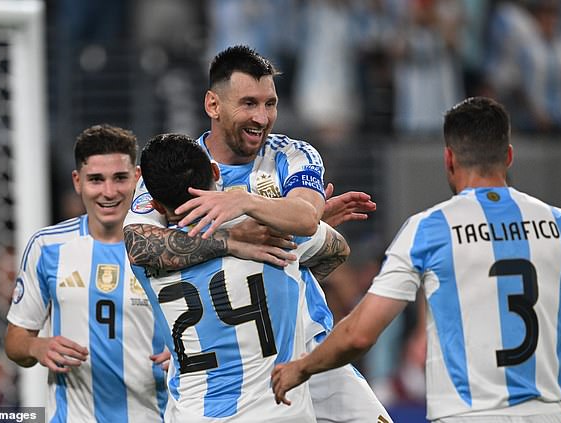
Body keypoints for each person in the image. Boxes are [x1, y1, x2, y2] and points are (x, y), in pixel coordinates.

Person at [124, 45, 391, 422]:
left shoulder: (293, 154)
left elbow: (305, 217)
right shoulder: (180, 169)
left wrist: (245, 205)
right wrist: (236, 240)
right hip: (231, 367)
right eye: (249, 103)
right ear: (213, 105)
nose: (262, 118)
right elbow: (138, 245)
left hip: (307, 344)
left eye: (270, 103)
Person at [271, 96, 561, 423]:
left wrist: (301, 367)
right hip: (548, 415)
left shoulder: (429, 229)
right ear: (510, 157)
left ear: (448, 159)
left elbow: (360, 334)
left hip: (468, 415)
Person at [134, 133, 353, 422]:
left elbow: (139, 243)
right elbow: (337, 249)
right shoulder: (269, 230)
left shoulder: (147, 256)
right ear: (215, 172)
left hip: (195, 414)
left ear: (157, 206)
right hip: (278, 411)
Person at [4, 125, 168, 422]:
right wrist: (36, 345)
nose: (109, 192)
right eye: (96, 180)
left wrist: (183, 355)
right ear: (77, 182)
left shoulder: (169, 247)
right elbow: (15, 338)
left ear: (137, 177)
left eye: (119, 178)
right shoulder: (47, 247)